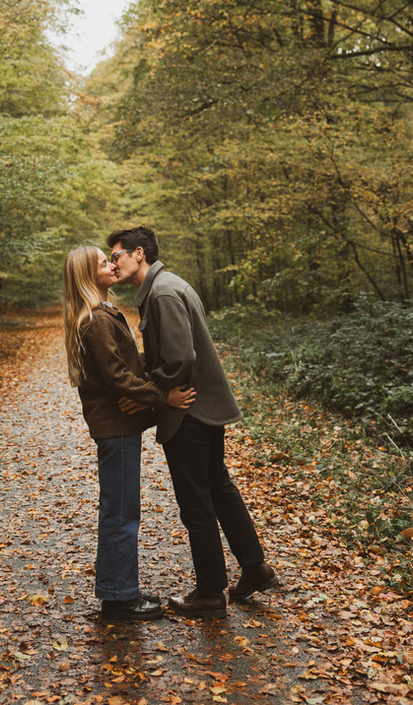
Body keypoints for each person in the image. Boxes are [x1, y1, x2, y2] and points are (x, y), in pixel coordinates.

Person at [107, 226, 278, 620]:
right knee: (218, 488)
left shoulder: (163, 292)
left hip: (189, 411)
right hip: (203, 408)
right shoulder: (165, 286)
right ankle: (255, 568)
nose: (112, 263)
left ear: (138, 253)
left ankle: (210, 592)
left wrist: (148, 391)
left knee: (196, 502)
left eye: (116, 255)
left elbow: (179, 359)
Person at [62, 245, 196, 622]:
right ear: (88, 276)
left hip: (118, 426)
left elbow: (126, 368)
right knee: (121, 512)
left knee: (121, 509)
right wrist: (163, 397)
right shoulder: (96, 319)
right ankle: (119, 600)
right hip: (115, 428)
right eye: (103, 263)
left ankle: (121, 589)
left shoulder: (101, 312)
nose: (111, 264)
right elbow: (118, 376)